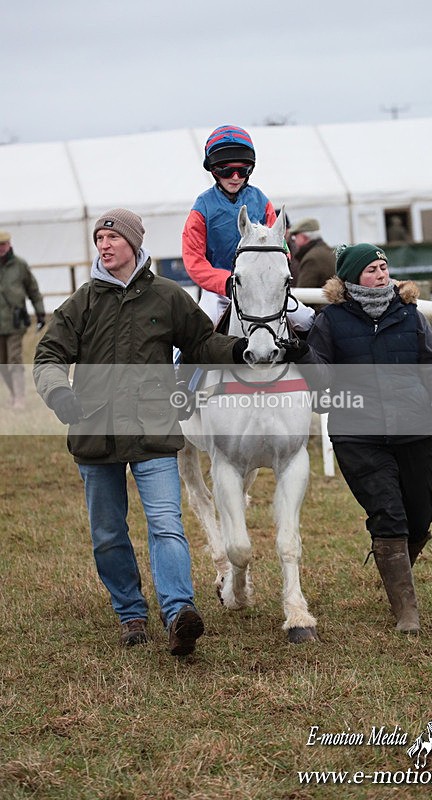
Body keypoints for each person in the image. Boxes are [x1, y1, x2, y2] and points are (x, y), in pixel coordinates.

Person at [33, 208, 252, 656]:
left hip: (153, 430)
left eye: (112, 238)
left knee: (167, 525)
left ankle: (178, 614)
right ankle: (131, 612)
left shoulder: (167, 297)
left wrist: (240, 349)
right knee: (109, 533)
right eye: (99, 240)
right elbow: (48, 355)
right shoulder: (82, 302)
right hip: (94, 433)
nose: (105, 246)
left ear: (134, 243)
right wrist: (59, 394)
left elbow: (201, 343)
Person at [306, 243, 432, 634]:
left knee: (419, 515)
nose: (381, 274)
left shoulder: (410, 316)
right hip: (357, 435)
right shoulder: (329, 322)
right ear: (350, 279)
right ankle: (406, 612)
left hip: (414, 431)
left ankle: (395, 573)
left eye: (383, 267)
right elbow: (320, 384)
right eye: (371, 269)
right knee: (389, 514)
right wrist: (303, 356)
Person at [181, 124, 314, 332]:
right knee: (198, 331)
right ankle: (180, 364)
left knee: (306, 321)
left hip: (264, 286)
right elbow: (194, 261)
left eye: (243, 170)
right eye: (226, 170)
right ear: (214, 171)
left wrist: (272, 275)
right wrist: (226, 282)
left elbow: (282, 248)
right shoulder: (202, 208)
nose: (235, 177)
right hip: (219, 291)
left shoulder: (261, 201)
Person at [0, 230, 46, 409]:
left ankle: (20, 398)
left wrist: (40, 312)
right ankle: (13, 394)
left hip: (15, 321)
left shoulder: (19, 265)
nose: (1, 249)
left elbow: (33, 290)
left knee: (14, 360)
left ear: (9, 244)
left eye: (3, 245)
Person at [291, 218, 336, 294]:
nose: (294, 240)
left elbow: (303, 295)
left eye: (295, 236)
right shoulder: (330, 252)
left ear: (303, 237)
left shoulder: (311, 259)